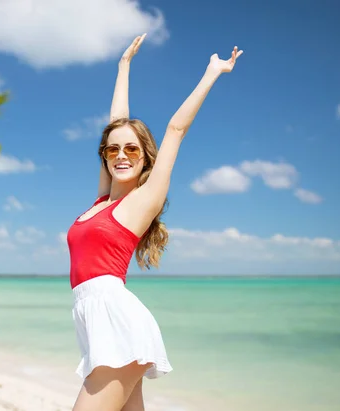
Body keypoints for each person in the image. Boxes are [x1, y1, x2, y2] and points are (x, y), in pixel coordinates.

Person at [66, 34, 243, 411]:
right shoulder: (101, 201)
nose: (121, 155)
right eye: (113, 149)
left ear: (146, 157)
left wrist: (213, 72)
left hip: (118, 323)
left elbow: (176, 130)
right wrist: (123, 67)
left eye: (132, 148)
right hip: (95, 323)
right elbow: (116, 122)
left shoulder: (141, 203)